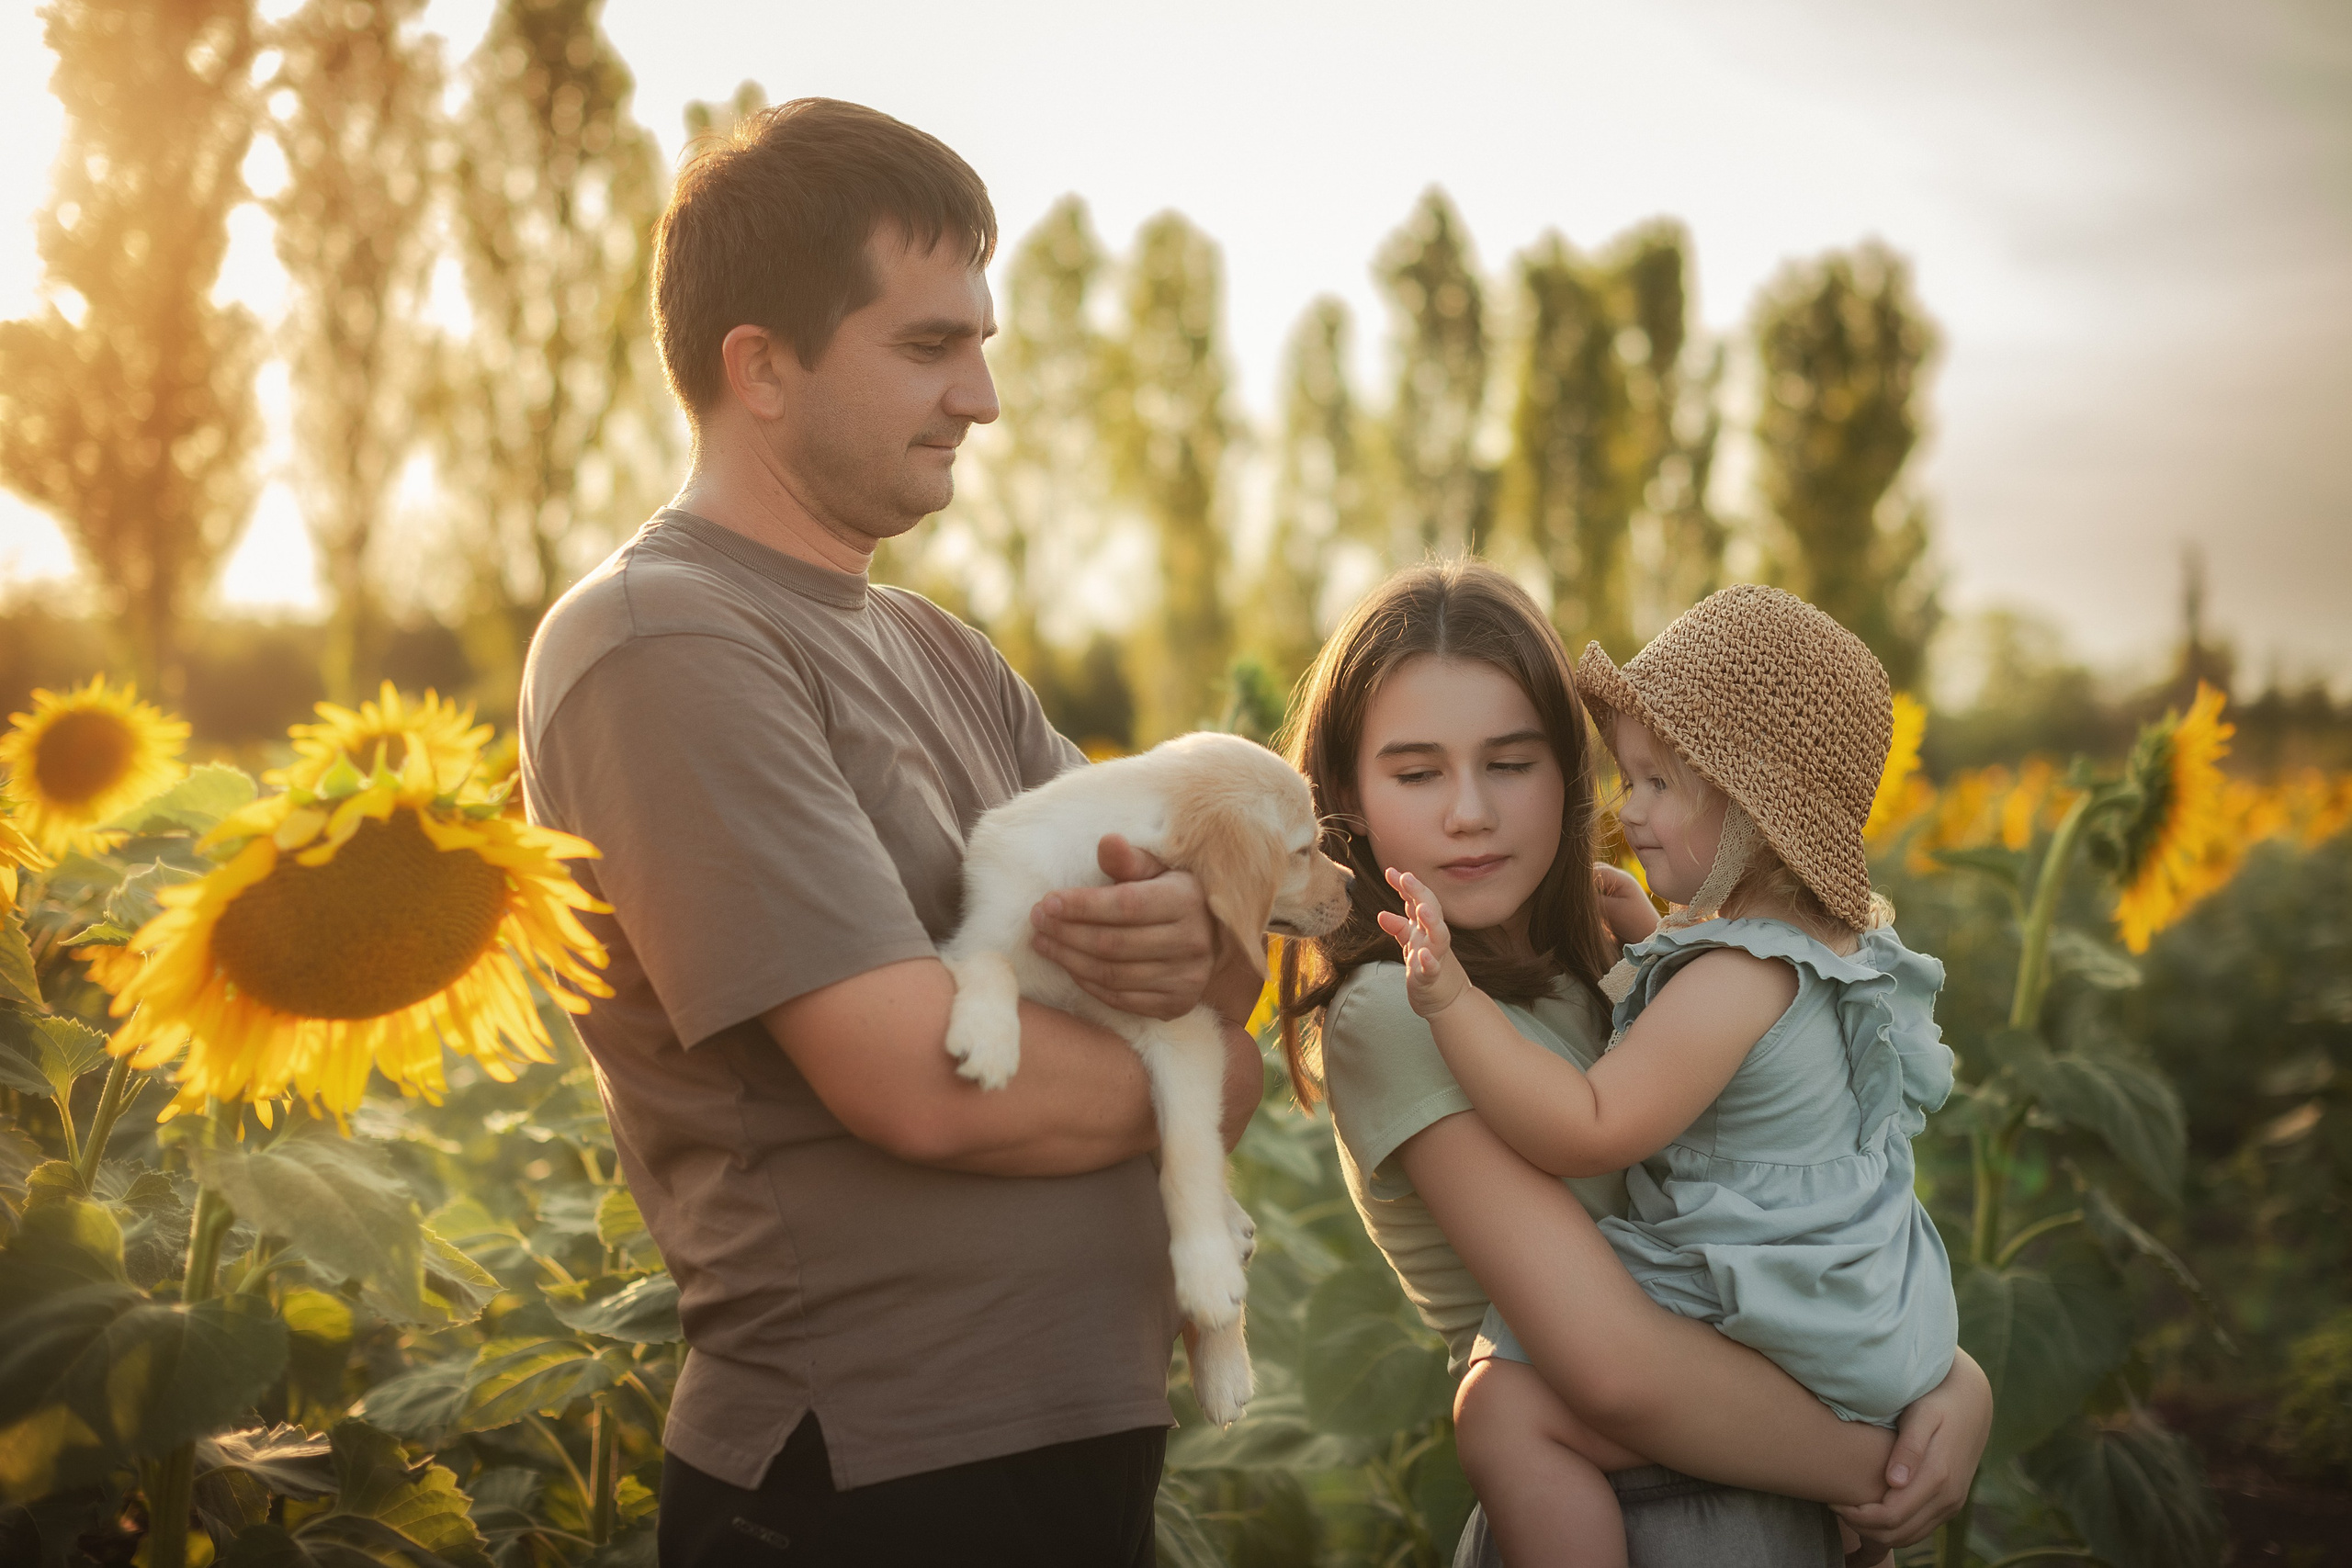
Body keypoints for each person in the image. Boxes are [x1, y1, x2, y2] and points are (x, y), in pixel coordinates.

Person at [518, 99, 1265, 1568]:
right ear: (762, 370)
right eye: (930, 347)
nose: (982, 398)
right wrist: (1207, 1069)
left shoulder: (946, 653)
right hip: (865, 1475)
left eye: (981, 344)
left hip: (1071, 1436)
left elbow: (1220, 937)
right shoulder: (662, 639)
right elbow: (919, 1084)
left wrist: (1202, 969)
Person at [1278, 560, 1992, 1566]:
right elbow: (1612, 1367)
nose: (1470, 812)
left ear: (1570, 775)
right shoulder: (1406, 1007)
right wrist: (1874, 1463)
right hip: (1637, 1511)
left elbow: (1785, 1211)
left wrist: (1956, 1383)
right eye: (1416, 772)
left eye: (1512, 762)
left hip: (1758, 1493)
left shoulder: (1609, 970)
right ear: (1344, 796)